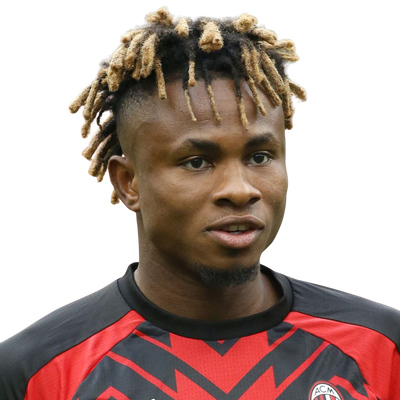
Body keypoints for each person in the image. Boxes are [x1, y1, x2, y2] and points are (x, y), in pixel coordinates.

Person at [1, 3, 399, 399]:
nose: (240, 189)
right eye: (197, 162)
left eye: (260, 156)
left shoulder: (381, 344)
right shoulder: (36, 369)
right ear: (127, 182)